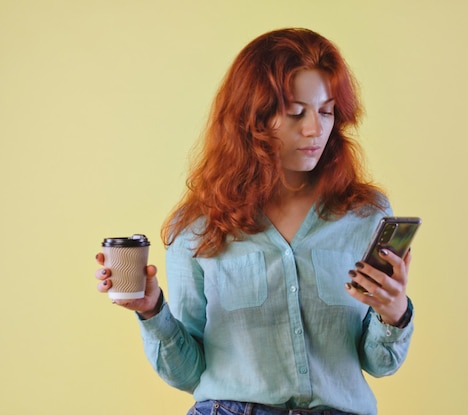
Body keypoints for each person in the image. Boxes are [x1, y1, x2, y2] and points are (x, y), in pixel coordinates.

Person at [95, 28, 415, 415]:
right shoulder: (197, 226)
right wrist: (151, 310)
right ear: (253, 119)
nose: (315, 128)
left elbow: (381, 364)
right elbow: (188, 374)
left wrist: (393, 313)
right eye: (296, 112)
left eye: (327, 111)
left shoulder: (365, 213)